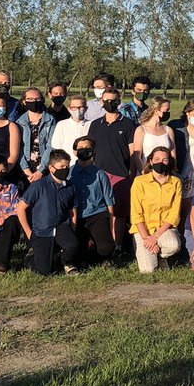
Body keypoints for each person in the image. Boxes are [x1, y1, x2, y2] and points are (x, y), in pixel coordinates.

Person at [88, 87, 137, 252]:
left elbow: (133, 153)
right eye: (107, 100)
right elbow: (91, 151)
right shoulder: (95, 125)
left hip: (121, 174)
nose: (110, 103)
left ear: (119, 101)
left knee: (119, 214)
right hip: (98, 175)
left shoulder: (129, 124)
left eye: (114, 100)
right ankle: (99, 245)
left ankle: (117, 246)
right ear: (101, 102)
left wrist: (130, 174)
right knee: (99, 211)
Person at [17, 149, 79, 275]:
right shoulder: (38, 186)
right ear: (51, 168)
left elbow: (73, 211)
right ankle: (31, 257)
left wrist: (72, 229)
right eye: (61, 166)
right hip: (42, 230)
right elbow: (21, 208)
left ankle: (65, 262)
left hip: (61, 226)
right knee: (45, 270)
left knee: (73, 245)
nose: (65, 169)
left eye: (67, 166)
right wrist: (29, 233)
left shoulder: (70, 187)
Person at [129, 145, 183, 273]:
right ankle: (147, 249)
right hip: (143, 229)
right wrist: (147, 237)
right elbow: (136, 213)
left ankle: (162, 256)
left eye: (165, 160)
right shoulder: (139, 182)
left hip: (164, 229)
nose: (161, 162)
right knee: (147, 270)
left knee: (173, 246)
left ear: (169, 161)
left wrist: (156, 236)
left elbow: (174, 214)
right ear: (151, 161)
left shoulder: (175, 182)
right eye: (157, 159)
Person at [69, 135, 117, 264]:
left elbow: (109, 203)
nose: (84, 150)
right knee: (78, 253)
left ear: (93, 151)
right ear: (74, 151)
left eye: (88, 148)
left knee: (106, 248)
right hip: (77, 217)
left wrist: (112, 230)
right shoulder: (68, 174)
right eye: (80, 148)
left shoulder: (101, 174)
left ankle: (101, 253)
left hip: (97, 215)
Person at [16, 87, 56, 184]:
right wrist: (27, 171)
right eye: (30, 99)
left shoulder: (50, 120)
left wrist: (40, 171)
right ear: (24, 102)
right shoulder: (19, 122)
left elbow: (51, 145)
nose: (34, 101)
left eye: (37, 99)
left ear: (42, 100)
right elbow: (18, 148)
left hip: (45, 167)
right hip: (24, 169)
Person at [132, 96, 176, 175]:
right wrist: (143, 173)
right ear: (156, 110)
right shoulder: (141, 130)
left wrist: (171, 171)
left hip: (164, 174)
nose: (168, 113)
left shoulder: (168, 130)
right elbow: (137, 155)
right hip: (146, 174)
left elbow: (173, 155)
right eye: (166, 110)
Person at [50, 94, 90, 158]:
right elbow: (56, 146)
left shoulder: (91, 124)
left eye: (81, 107)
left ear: (86, 108)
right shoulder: (62, 125)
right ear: (69, 109)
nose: (77, 110)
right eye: (74, 107)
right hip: (68, 163)